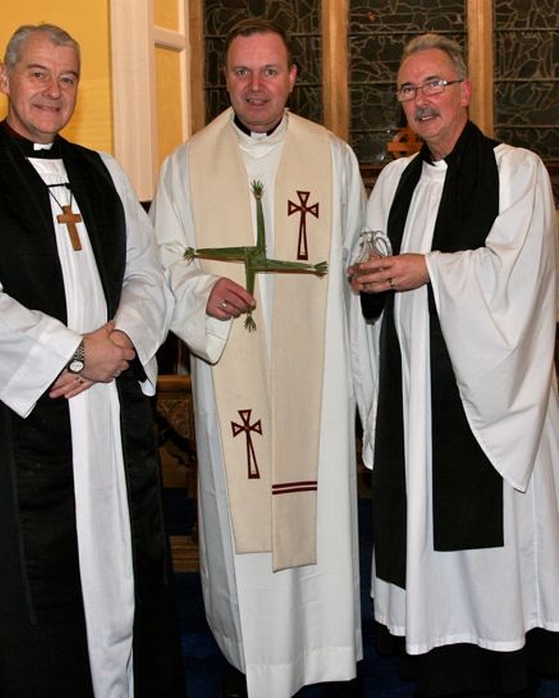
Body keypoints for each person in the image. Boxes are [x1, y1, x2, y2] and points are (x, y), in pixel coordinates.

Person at [0, 23, 185, 698]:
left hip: (110, 407)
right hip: (29, 420)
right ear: (7, 79)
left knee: (126, 572)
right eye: (38, 74)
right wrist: (71, 351)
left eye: (67, 78)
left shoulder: (103, 172)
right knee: (43, 588)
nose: (53, 91)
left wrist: (120, 343)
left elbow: (147, 272)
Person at [152, 17, 367, 698]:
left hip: (317, 374)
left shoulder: (331, 158)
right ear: (226, 78)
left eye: (269, 71)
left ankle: (325, 651)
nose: (256, 86)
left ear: (293, 78)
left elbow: (360, 252)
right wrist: (198, 290)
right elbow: (163, 260)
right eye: (242, 72)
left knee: (320, 506)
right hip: (232, 370)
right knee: (239, 504)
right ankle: (252, 654)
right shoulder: (188, 163)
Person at [349, 33, 559, 698]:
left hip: (490, 408)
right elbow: (373, 267)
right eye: (409, 89)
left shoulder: (515, 171)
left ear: (466, 90)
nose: (422, 100)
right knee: (432, 551)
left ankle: (504, 665)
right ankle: (445, 664)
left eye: (434, 84)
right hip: (419, 405)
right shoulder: (394, 184)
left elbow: (518, 277)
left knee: (492, 559)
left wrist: (427, 270)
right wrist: (370, 285)